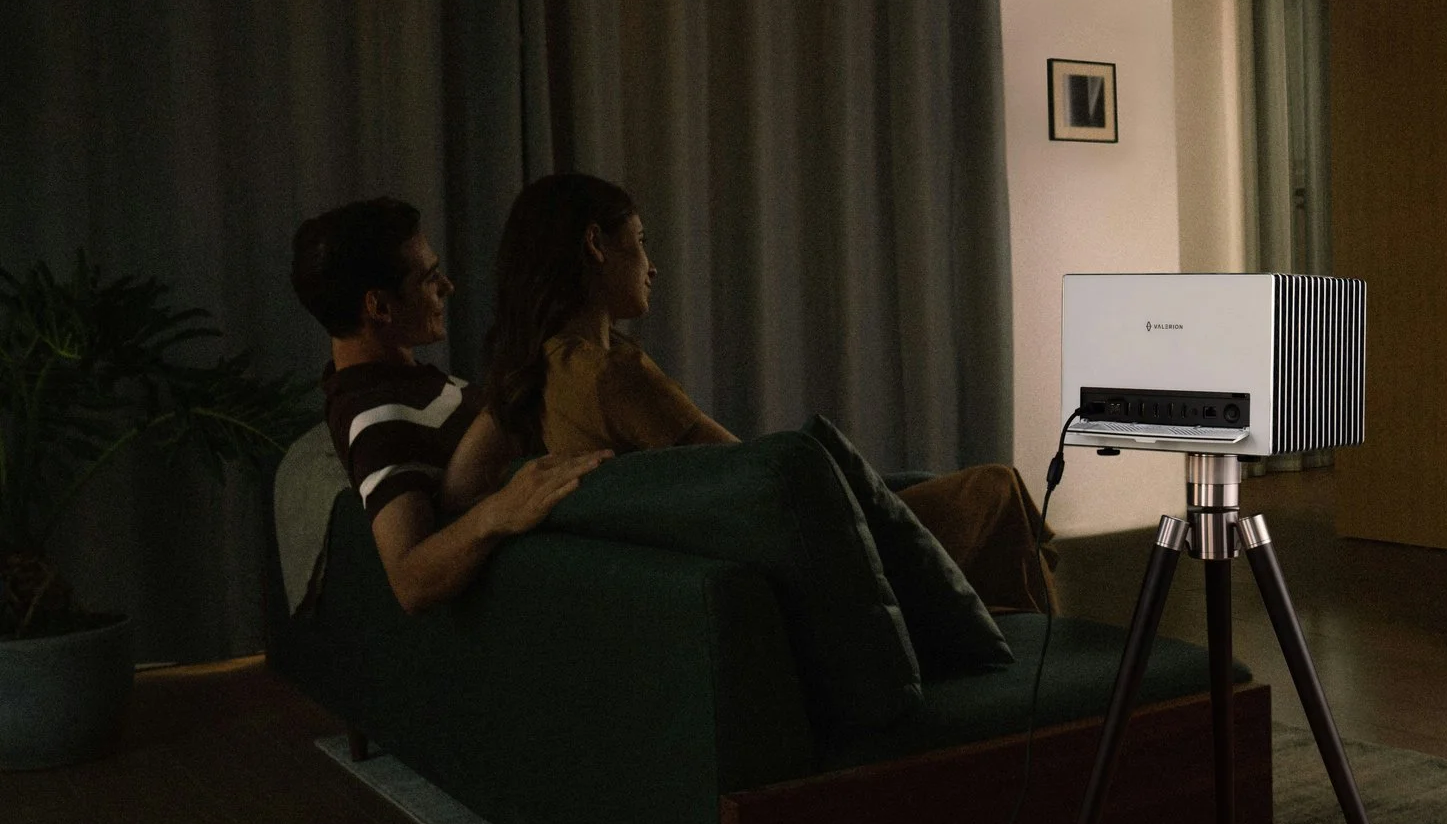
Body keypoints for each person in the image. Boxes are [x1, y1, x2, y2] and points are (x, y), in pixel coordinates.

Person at [463, 173, 1055, 612]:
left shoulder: (540, 371)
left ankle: (1008, 648)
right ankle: (1050, 671)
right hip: (802, 571)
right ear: (596, 244)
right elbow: (759, 475)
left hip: (735, 556)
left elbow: (459, 485)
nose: (652, 266)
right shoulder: (615, 375)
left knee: (936, 493)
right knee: (996, 486)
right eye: (639, 241)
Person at [290, 198, 607, 614]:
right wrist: (500, 510)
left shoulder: (406, 383)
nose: (448, 287)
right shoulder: (376, 418)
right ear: (380, 307)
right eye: (429, 278)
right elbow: (409, 582)